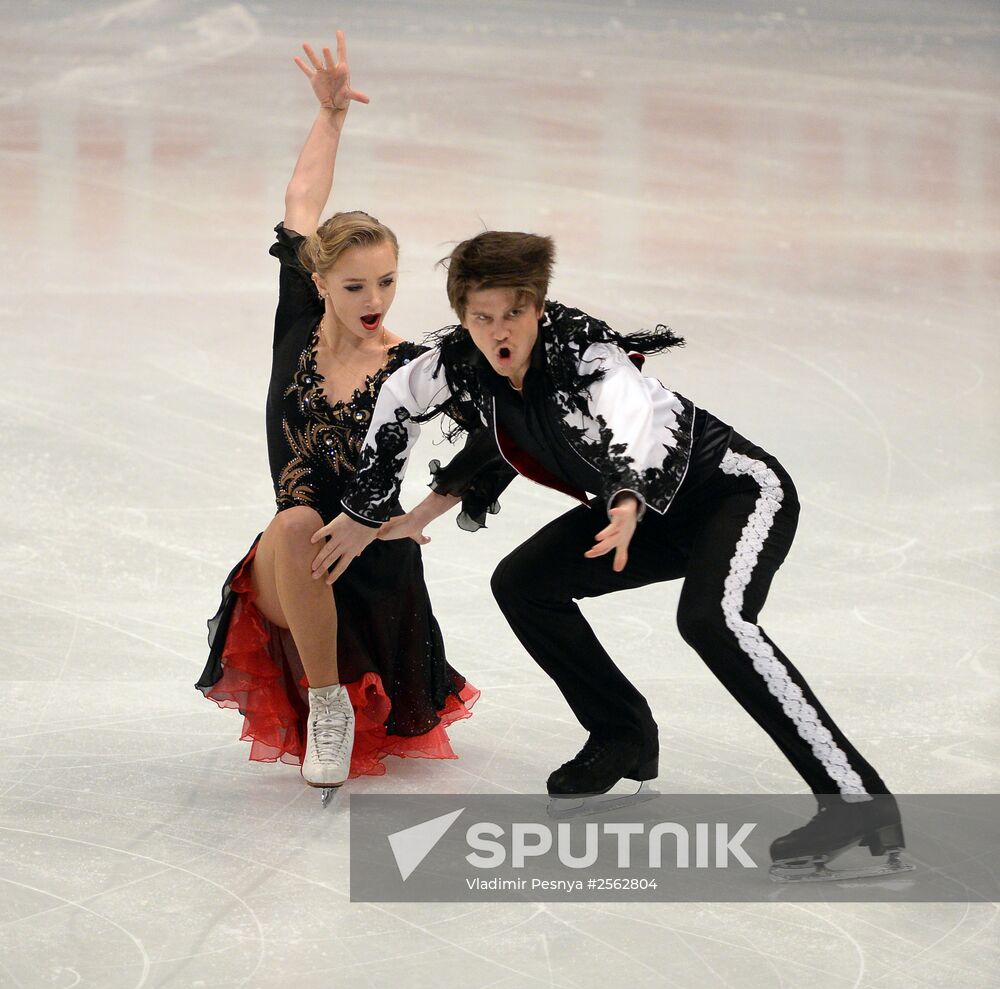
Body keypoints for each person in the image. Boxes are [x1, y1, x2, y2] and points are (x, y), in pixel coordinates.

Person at [310, 229, 907, 875]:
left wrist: (624, 502)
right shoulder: (463, 363)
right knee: (525, 583)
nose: (498, 330)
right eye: (481, 317)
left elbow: (632, 424)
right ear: (463, 316)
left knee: (712, 620)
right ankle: (623, 733)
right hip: (643, 518)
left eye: (513, 312)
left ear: (537, 306)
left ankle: (856, 799)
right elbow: (430, 414)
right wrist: (372, 513)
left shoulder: (586, 354)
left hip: (732, 494)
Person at [196, 33, 478, 793]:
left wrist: (424, 513)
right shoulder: (296, 321)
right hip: (293, 566)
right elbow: (300, 202)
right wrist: (330, 118)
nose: (375, 301)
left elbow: (495, 439)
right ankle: (329, 706)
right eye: (355, 286)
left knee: (302, 526)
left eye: (385, 282)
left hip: (372, 568)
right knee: (291, 521)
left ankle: (342, 688)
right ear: (319, 282)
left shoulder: (414, 363)